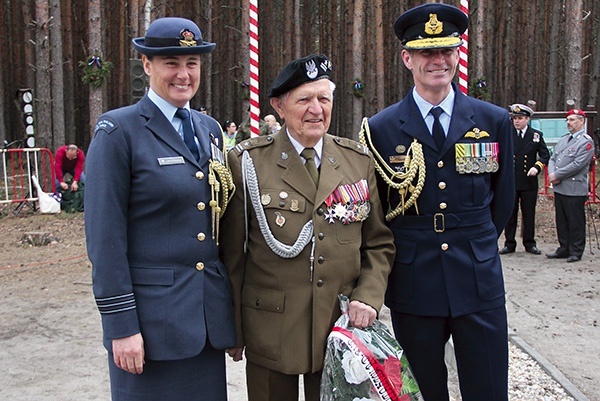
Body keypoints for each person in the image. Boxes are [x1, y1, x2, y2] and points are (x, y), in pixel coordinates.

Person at [360, 4, 514, 400]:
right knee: (424, 389)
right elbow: (378, 212)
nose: (438, 61)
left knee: (489, 386)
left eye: (446, 50)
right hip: (415, 279)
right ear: (407, 58)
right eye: (427, 52)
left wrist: (476, 243)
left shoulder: (492, 120)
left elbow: (504, 197)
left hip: (476, 277)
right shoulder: (380, 128)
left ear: (458, 54)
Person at [221, 54, 395, 401]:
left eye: (323, 99)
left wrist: (368, 297)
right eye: (304, 99)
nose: (316, 109)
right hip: (271, 328)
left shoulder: (356, 160)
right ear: (279, 106)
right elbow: (232, 256)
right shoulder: (248, 162)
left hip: (340, 326)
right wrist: (235, 330)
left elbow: (378, 244)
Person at [84, 17, 236, 400]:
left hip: (204, 325)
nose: (183, 74)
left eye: (192, 63)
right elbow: (105, 239)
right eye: (171, 62)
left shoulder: (210, 129)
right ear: (147, 65)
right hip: (149, 329)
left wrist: (229, 318)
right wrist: (121, 327)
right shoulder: (118, 132)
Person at [499, 104, 550, 255]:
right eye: (514, 118)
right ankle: (509, 243)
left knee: (529, 214)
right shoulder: (507, 134)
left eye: (520, 118)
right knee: (510, 214)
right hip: (511, 181)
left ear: (527, 119)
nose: (517, 121)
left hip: (529, 182)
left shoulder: (536, 135)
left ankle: (529, 243)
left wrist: (537, 167)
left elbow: (545, 155)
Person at [546, 109, 594, 263]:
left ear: (582, 121)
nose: (569, 123)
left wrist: (557, 175)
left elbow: (578, 164)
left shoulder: (586, 141)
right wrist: (552, 174)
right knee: (562, 220)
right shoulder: (563, 140)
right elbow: (553, 158)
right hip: (560, 187)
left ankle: (576, 250)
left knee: (575, 221)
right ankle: (564, 247)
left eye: (573, 120)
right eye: (568, 120)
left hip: (574, 188)